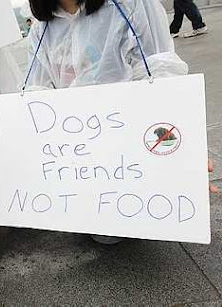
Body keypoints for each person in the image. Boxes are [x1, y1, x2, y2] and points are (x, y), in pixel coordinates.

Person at [25, 0, 207, 244]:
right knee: (104, 234)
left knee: (134, 223)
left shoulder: (131, 5)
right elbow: (37, 96)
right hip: (79, 154)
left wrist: (181, 156)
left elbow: (162, 73)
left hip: (131, 142)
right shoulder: (41, 30)